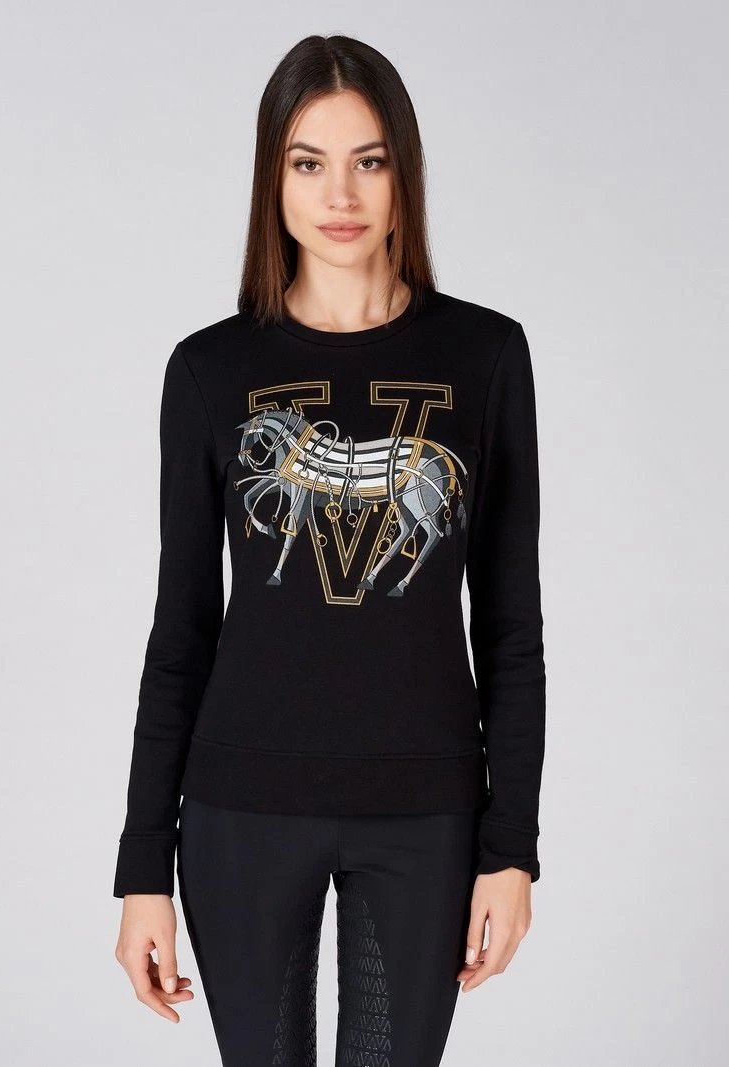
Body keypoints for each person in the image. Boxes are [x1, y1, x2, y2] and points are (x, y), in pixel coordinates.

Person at [113, 33, 546, 1066]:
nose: (339, 194)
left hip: (426, 811)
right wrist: (141, 867)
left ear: (404, 175)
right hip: (240, 806)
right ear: (273, 178)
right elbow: (181, 631)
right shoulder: (209, 372)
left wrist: (511, 849)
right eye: (308, 162)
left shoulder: (483, 355)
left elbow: (510, 628)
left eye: (369, 160)